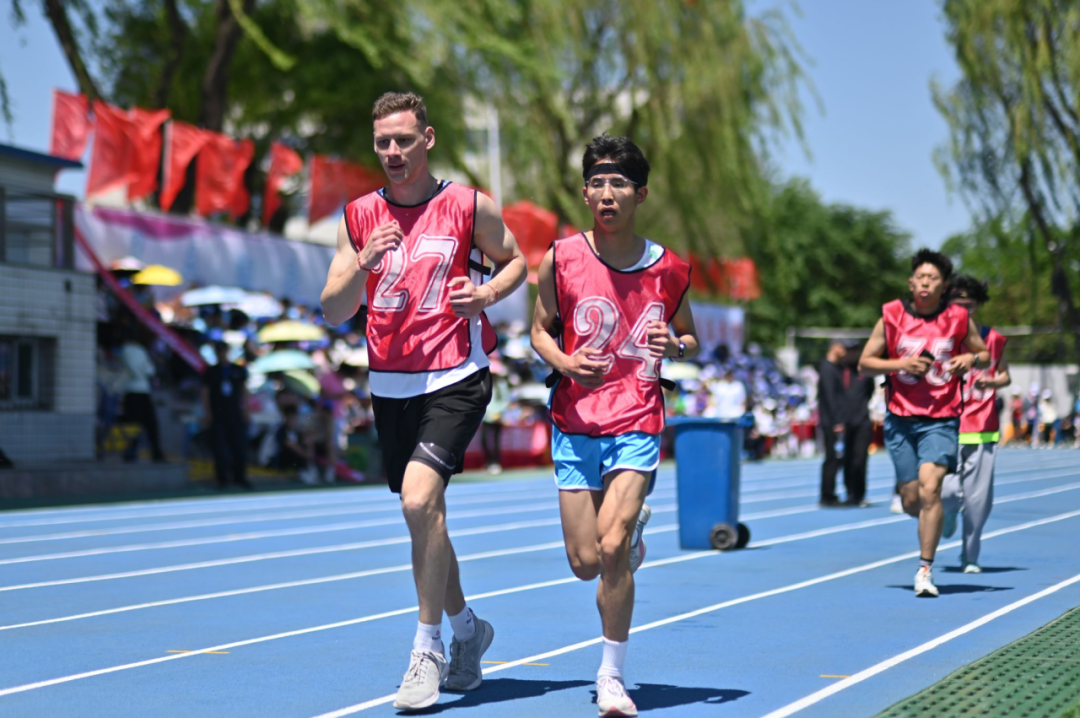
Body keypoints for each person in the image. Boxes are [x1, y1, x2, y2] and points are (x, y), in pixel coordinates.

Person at [320, 92, 526, 712]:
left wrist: (485, 296)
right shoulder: (358, 216)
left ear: (427, 139)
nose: (392, 151)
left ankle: (426, 649)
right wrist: (363, 262)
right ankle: (469, 631)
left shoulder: (467, 204)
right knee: (424, 515)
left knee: (418, 499)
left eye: (404, 140)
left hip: (456, 375)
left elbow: (517, 263)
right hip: (391, 384)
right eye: (383, 141)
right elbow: (333, 309)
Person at [531, 134, 699, 717]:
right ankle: (628, 544)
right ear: (585, 194)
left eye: (619, 183)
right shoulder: (560, 258)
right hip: (575, 419)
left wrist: (675, 346)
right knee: (585, 563)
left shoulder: (670, 268)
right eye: (598, 183)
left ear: (640, 194)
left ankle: (611, 675)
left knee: (609, 546)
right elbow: (539, 331)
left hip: (637, 418)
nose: (607, 193)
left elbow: (689, 336)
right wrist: (564, 362)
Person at [858, 249, 990, 598]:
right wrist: (900, 364)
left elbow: (985, 354)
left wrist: (969, 358)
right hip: (900, 418)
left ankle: (925, 570)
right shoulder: (892, 315)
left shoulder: (958, 317)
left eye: (933, 278)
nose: (926, 283)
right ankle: (938, 518)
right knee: (911, 500)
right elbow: (865, 364)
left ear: (943, 285)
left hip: (941, 418)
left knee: (931, 489)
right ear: (911, 282)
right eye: (920, 277)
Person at [939, 276, 1010, 573]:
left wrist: (992, 382)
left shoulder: (992, 338)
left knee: (978, 501)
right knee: (945, 492)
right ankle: (948, 513)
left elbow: (1005, 375)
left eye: (969, 304)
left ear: (978, 305)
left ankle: (970, 556)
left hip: (982, 426)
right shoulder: (938, 338)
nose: (963, 309)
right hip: (944, 424)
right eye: (957, 304)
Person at [200, 340, 253, 490]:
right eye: (219, 351)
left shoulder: (238, 370)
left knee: (239, 445)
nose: (222, 354)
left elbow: (244, 391)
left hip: (235, 412)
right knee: (219, 446)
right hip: (218, 413)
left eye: (224, 351)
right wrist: (207, 413)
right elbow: (205, 392)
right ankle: (222, 478)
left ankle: (240, 476)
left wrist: (246, 409)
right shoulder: (211, 371)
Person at [120, 329, 166, 463]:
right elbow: (145, 370)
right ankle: (133, 452)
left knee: (147, 424)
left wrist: (142, 371)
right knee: (137, 425)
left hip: (140, 391)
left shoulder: (136, 350)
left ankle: (152, 452)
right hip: (134, 391)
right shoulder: (129, 349)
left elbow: (149, 370)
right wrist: (143, 371)